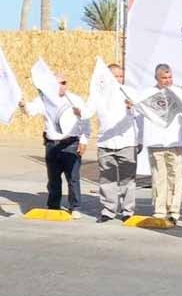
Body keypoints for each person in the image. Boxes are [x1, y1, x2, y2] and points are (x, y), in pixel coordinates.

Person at [18, 73, 90, 218]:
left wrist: (84, 141)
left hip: (70, 143)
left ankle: (74, 207)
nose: (62, 85)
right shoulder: (44, 99)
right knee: (53, 178)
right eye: (58, 83)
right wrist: (23, 105)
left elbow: (85, 121)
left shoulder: (75, 100)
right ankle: (53, 205)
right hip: (52, 145)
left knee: (73, 177)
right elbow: (30, 110)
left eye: (64, 82)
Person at [80, 64, 142, 223]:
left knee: (128, 179)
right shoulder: (98, 95)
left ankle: (128, 210)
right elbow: (87, 112)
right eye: (115, 76)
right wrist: (79, 110)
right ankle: (108, 210)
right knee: (107, 179)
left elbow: (141, 116)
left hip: (127, 142)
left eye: (121, 76)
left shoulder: (130, 93)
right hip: (105, 141)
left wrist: (140, 139)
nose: (119, 79)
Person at [140, 64, 182, 225]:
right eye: (164, 78)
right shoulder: (147, 94)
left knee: (175, 177)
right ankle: (159, 210)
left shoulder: (180, 93)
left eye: (169, 78)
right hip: (156, 141)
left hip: (174, 141)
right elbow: (138, 114)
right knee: (158, 177)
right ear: (156, 78)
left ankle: (174, 210)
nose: (167, 81)